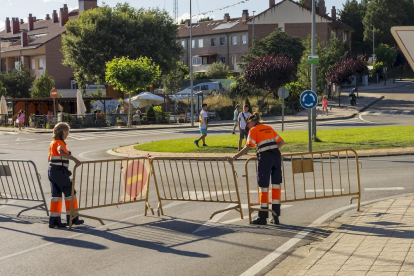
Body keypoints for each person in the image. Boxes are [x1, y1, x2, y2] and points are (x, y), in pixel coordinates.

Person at [227, 112, 285, 225]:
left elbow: (247, 147)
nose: (247, 127)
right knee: (276, 186)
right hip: (276, 157)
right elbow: (281, 142)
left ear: (251, 122)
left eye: (247, 124)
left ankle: (262, 217)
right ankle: (275, 216)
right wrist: (271, 149)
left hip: (265, 159)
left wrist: (234, 157)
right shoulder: (268, 128)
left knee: (263, 187)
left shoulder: (254, 130)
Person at [48, 123, 84, 229]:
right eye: (67, 131)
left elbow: (51, 158)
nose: (68, 133)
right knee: (71, 192)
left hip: (52, 171)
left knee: (56, 196)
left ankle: (54, 220)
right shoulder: (59, 143)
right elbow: (61, 152)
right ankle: (73, 218)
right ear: (63, 132)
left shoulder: (52, 143)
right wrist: (75, 159)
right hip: (59, 172)